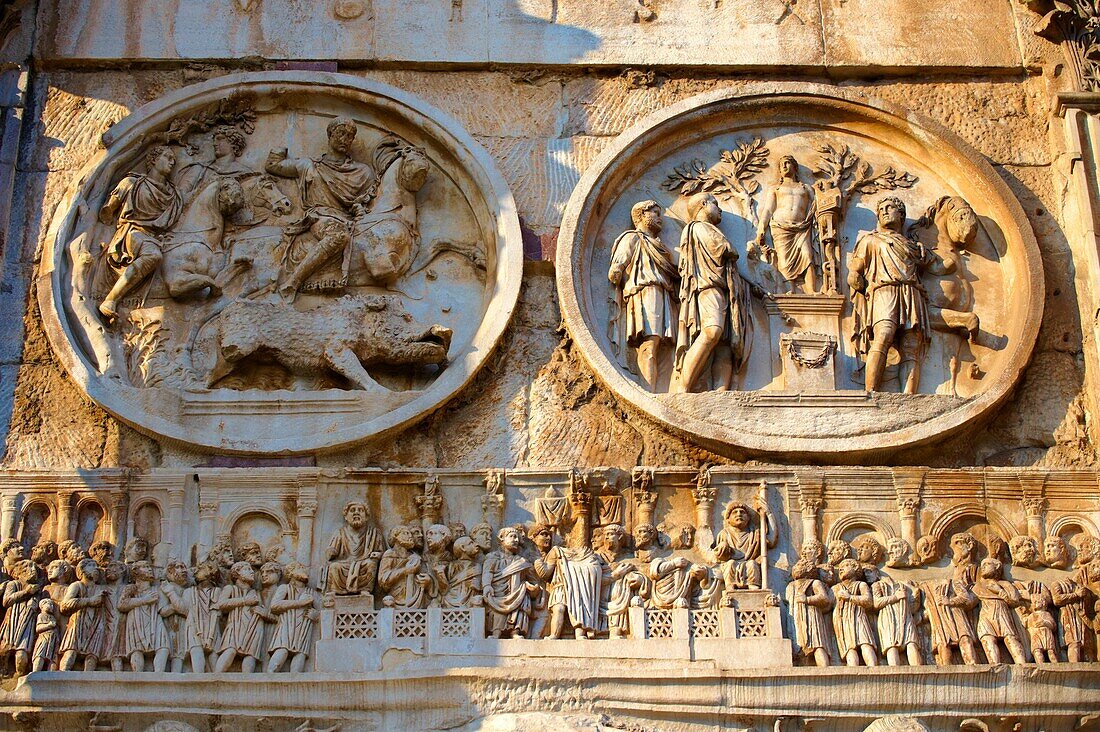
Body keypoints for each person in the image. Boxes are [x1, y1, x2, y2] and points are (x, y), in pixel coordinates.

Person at [265, 116, 377, 298]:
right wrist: (281, 145)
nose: (345, 140)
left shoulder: (363, 172)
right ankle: (293, 282)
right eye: (341, 133)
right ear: (330, 135)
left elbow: (372, 202)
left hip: (351, 221)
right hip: (320, 217)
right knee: (338, 235)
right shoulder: (309, 166)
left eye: (350, 136)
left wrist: (361, 209)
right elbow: (272, 166)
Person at [848, 196, 933, 393]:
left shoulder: (913, 245)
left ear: (901, 215)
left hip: (911, 292)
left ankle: (909, 396)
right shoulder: (871, 240)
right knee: (884, 335)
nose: (885, 211)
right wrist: (854, 277)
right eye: (881, 209)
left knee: (911, 346)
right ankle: (871, 391)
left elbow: (933, 264)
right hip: (884, 291)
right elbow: (856, 268)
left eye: (890, 207)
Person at [672, 193, 754, 393]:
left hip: (727, 290)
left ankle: (720, 391)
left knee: (726, 344)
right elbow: (727, 250)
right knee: (712, 331)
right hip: (708, 288)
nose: (720, 209)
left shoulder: (708, 229)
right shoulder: (699, 228)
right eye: (715, 204)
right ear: (703, 204)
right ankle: (683, 388)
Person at [98, 145, 184, 321]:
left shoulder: (173, 195)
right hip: (133, 233)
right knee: (153, 256)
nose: (172, 162)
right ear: (153, 159)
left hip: (159, 238)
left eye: (173, 159)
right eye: (167, 157)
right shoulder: (132, 184)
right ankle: (111, 299)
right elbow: (106, 213)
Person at [608, 200, 678, 390]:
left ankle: (658, 389)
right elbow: (617, 266)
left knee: (663, 346)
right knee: (650, 342)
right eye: (655, 213)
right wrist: (617, 270)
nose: (659, 218)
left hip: (664, 293)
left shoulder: (658, 245)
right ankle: (648, 389)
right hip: (645, 291)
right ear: (642, 215)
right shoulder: (633, 238)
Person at [754, 155, 818, 294]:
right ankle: (791, 289)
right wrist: (761, 228)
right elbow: (768, 210)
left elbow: (816, 207)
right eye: (782, 164)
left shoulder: (806, 188)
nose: (784, 166)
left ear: (795, 167)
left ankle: (812, 290)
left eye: (787, 163)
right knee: (783, 258)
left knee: (807, 255)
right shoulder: (776, 189)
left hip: (802, 227)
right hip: (781, 227)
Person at [325, 502, 385, 596]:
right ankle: (336, 590)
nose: (356, 513)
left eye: (360, 510)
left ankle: (365, 589)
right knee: (334, 567)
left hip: (364, 563)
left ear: (366, 517)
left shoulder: (374, 533)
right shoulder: (340, 533)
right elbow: (330, 552)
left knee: (371, 564)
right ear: (346, 516)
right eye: (352, 510)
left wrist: (377, 554)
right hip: (345, 563)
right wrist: (331, 551)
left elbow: (382, 553)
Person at [786, 559, 834, 667]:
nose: (795, 567)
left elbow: (824, 598)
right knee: (800, 646)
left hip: (812, 615)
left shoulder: (814, 582)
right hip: (795, 617)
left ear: (808, 568)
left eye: (799, 565)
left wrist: (807, 599)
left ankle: (825, 669)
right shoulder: (791, 586)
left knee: (817, 644)